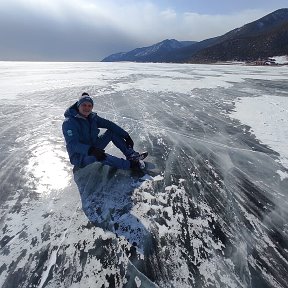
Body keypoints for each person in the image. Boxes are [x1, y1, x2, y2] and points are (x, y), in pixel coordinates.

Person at [62, 92, 147, 171]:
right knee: (100, 156)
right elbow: (73, 145)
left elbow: (109, 125)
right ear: (78, 106)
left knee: (111, 132)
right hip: (79, 157)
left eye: (89, 106)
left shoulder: (92, 117)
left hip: (93, 146)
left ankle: (131, 155)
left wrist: (126, 136)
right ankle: (130, 165)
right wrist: (91, 150)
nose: (86, 108)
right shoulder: (69, 122)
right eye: (84, 105)